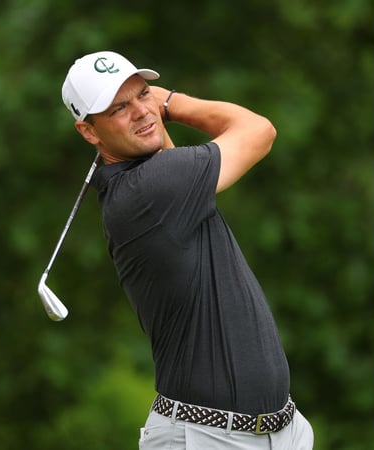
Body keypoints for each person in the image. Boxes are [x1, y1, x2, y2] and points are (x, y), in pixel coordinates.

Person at [62, 50, 313, 449]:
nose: (141, 112)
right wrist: (169, 102)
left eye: (142, 94)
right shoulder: (151, 188)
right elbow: (259, 130)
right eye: (118, 108)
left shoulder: (154, 181)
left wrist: (149, 112)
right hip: (207, 438)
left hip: (277, 431)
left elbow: (166, 151)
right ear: (89, 132)